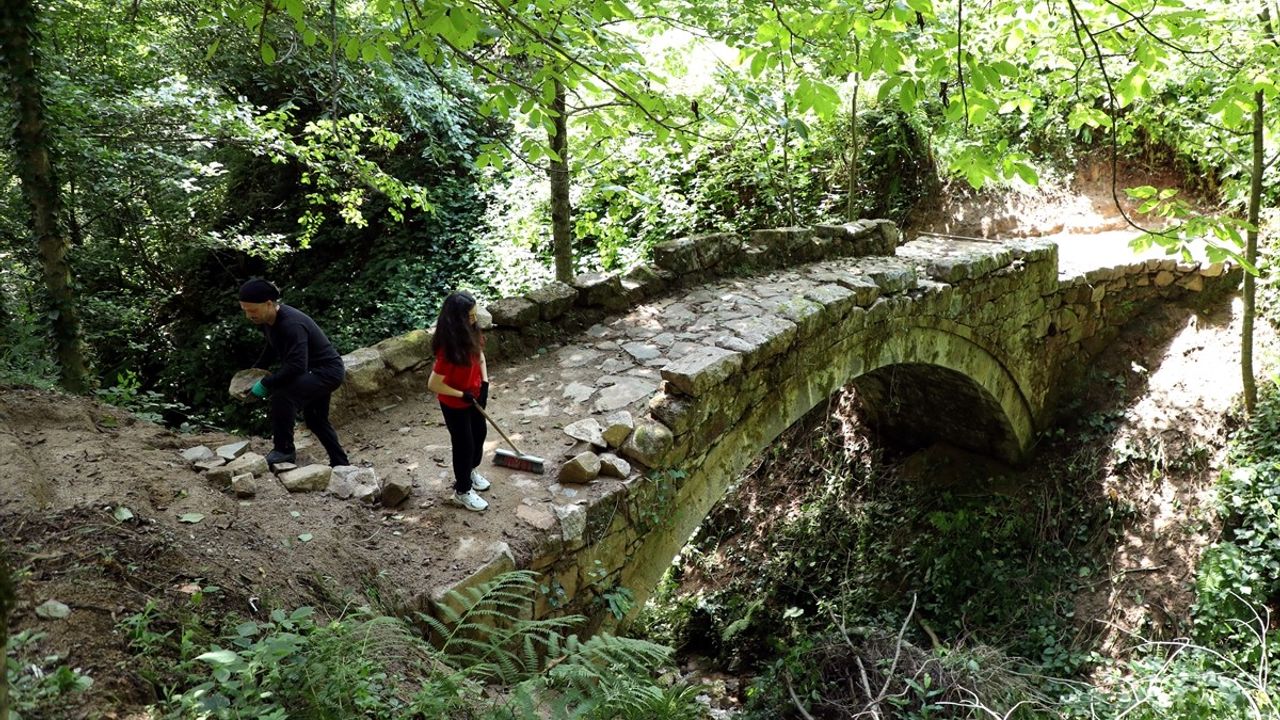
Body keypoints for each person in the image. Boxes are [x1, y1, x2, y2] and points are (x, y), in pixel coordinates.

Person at [238, 278, 350, 468]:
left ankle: (284, 450)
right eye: (245, 310)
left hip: (326, 372)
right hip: (314, 371)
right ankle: (341, 463)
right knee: (315, 420)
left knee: (283, 395)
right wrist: (251, 376)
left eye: (253, 310)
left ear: (269, 304)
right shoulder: (268, 320)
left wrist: (266, 383)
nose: (249, 315)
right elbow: (271, 348)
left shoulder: (291, 324)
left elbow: (297, 366)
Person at [427, 291, 492, 511]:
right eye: (470, 316)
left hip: (474, 396)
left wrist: (484, 384)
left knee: (480, 434)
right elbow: (434, 384)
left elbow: (481, 357)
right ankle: (462, 490)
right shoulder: (448, 349)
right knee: (464, 444)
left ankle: (470, 471)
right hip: (455, 404)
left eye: (475, 314)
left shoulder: (472, 331)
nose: (474, 319)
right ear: (457, 319)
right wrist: (462, 395)